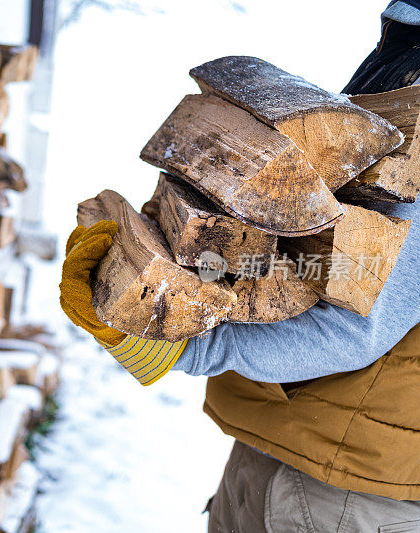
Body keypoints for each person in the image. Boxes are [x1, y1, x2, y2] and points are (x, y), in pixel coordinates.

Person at [60, 2, 420, 530]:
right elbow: (309, 261)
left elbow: (357, 321)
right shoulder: (399, 81)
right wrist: (195, 267)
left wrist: (185, 341)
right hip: (310, 455)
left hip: (343, 492)